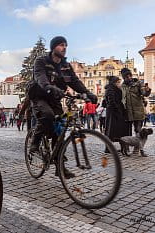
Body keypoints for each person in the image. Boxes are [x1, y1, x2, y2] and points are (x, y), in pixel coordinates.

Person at [29, 36, 97, 179]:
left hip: (55, 99)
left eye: (66, 45)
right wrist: (49, 87)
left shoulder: (65, 66)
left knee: (59, 130)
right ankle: (34, 143)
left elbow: (75, 82)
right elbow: (40, 77)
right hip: (40, 97)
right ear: (53, 47)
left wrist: (88, 93)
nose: (64, 47)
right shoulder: (41, 61)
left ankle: (60, 167)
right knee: (47, 115)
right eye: (61, 45)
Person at [121, 68, 151, 138]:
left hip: (138, 112)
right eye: (126, 77)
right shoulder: (122, 86)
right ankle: (126, 148)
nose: (129, 78)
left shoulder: (138, 83)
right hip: (127, 112)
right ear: (124, 77)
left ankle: (137, 148)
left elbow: (145, 93)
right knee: (127, 132)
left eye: (130, 76)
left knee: (138, 131)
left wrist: (147, 90)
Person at [105, 76, 131, 151]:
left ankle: (118, 147)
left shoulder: (115, 89)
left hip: (116, 111)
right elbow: (111, 101)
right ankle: (108, 148)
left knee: (118, 130)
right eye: (118, 82)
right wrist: (117, 109)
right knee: (110, 130)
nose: (119, 84)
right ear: (114, 83)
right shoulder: (110, 89)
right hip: (113, 113)